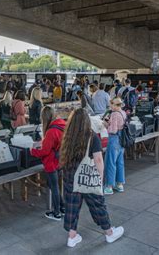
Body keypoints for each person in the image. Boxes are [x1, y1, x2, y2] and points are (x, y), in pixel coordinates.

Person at [60, 108, 124, 247]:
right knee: (97, 205)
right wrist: (100, 179)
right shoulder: (92, 136)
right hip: (88, 177)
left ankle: (72, 237)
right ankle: (109, 233)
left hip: (71, 176)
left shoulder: (68, 136)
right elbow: (99, 160)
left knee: (72, 207)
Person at [31, 106, 65, 220]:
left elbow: (45, 151)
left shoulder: (51, 131)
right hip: (60, 160)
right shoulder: (62, 125)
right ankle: (63, 207)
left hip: (51, 162)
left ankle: (56, 213)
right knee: (55, 186)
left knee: (54, 187)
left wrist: (33, 151)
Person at [102, 97, 126, 195]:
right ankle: (119, 184)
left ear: (116, 105)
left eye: (111, 104)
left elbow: (113, 130)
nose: (110, 106)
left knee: (110, 162)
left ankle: (109, 186)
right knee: (120, 162)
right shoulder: (123, 112)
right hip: (122, 140)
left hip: (114, 139)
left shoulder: (115, 114)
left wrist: (106, 124)